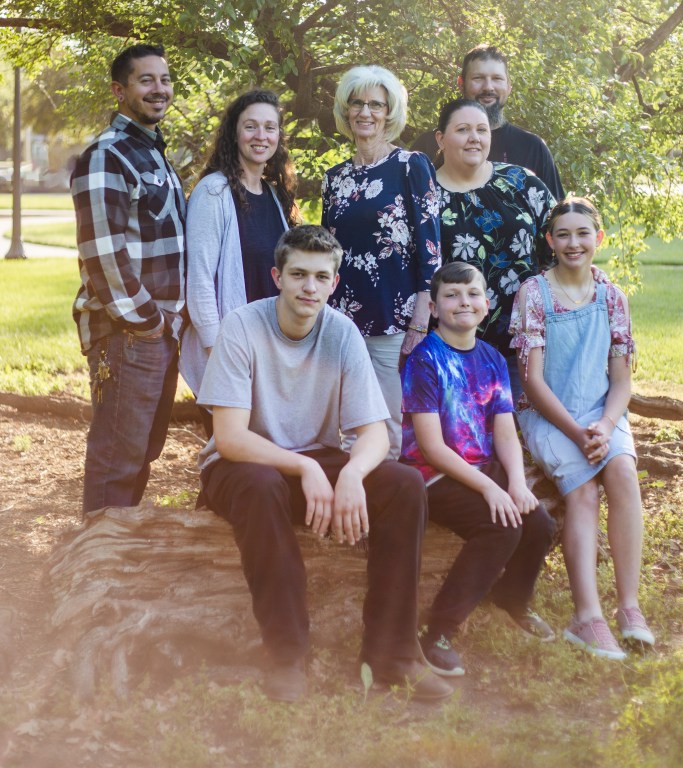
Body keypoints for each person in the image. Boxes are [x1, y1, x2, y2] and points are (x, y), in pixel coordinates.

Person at [196, 225, 452, 703]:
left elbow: (375, 433)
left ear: (334, 283)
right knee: (260, 486)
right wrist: (307, 469)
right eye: (298, 275)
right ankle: (286, 654)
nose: (308, 287)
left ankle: (393, 652)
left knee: (402, 484)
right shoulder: (242, 326)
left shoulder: (341, 332)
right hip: (243, 466)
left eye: (320, 277)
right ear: (277, 277)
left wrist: (351, 473)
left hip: (312, 461)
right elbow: (229, 438)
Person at [511, 197, 654, 660]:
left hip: (601, 412)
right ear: (550, 241)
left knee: (623, 474)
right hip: (550, 415)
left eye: (583, 233)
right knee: (584, 491)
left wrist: (606, 425)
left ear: (599, 238)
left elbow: (622, 381)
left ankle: (629, 607)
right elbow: (532, 381)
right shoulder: (534, 295)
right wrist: (577, 433)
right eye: (563, 235)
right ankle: (586, 617)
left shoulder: (613, 297)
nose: (574, 243)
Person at [400, 262, 555, 676]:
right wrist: (489, 489)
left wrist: (516, 483)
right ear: (433, 308)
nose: (463, 302)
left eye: (472, 294)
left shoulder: (492, 358)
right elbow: (431, 447)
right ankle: (439, 630)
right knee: (500, 527)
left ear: (486, 304)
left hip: (482, 467)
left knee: (538, 523)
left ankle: (511, 598)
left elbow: (505, 432)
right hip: (432, 475)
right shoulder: (424, 360)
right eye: (451, 295)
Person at [71, 43, 186, 514]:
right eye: (146, 80)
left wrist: (165, 326)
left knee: (140, 455)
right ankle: (98, 556)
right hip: (129, 332)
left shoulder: (153, 154)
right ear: (120, 91)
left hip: (158, 332)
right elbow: (103, 255)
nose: (159, 89)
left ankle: (118, 552)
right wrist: (148, 323)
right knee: (117, 459)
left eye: (165, 79)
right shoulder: (108, 155)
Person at [321, 65, 440, 457]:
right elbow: (327, 252)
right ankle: (350, 489)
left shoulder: (411, 166)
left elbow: (430, 248)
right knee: (347, 420)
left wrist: (420, 318)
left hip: (394, 316)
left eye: (376, 104)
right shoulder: (334, 178)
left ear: (390, 112)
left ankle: (386, 490)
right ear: (346, 109)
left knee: (388, 423)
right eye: (357, 103)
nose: (365, 112)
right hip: (342, 316)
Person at [179, 89, 297, 433]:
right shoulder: (213, 192)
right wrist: (217, 351)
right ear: (234, 133)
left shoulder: (273, 194)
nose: (261, 136)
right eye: (250, 126)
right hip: (227, 352)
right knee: (231, 452)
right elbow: (199, 278)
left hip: (269, 352)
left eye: (270, 127)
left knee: (263, 452)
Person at [435, 97, 555, 404]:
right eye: (463, 129)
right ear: (441, 139)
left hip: (523, 345)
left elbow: (561, 242)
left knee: (517, 428)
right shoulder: (425, 197)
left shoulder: (521, 182)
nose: (474, 138)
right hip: (452, 348)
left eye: (482, 130)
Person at [413, 44, 564, 199]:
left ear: (509, 86)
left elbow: (559, 212)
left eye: (497, 78)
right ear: (461, 84)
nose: (488, 87)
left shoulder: (533, 148)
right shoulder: (427, 146)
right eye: (478, 78)